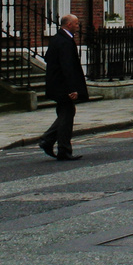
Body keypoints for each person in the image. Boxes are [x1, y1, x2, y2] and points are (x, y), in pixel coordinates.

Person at [39, 14, 88, 161]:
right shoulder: (65, 42)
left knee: (65, 113)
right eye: (76, 24)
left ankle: (49, 142)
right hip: (63, 86)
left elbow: (48, 58)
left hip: (56, 84)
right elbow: (68, 67)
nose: (78, 27)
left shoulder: (56, 39)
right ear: (68, 25)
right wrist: (72, 89)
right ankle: (62, 149)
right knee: (66, 115)